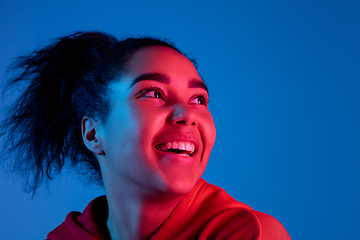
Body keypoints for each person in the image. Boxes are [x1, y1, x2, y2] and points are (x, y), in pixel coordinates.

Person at [0, 31, 291, 240]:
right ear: (93, 133)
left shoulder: (250, 233)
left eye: (199, 99)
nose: (187, 113)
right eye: (153, 93)